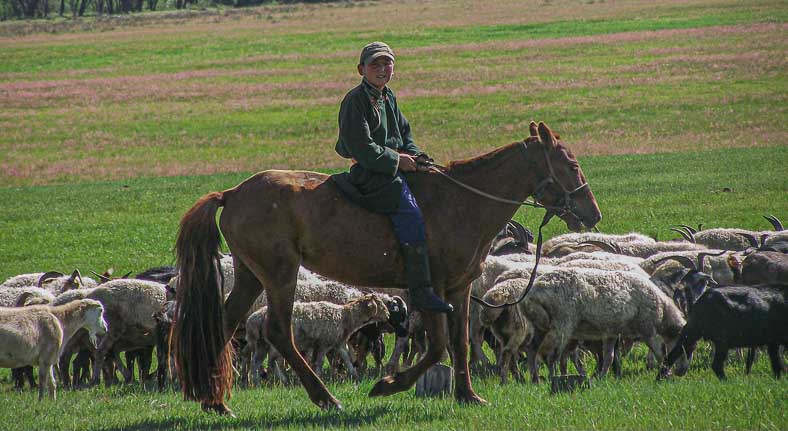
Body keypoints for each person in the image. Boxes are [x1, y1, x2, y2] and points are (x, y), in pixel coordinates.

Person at [332, 42, 453, 314]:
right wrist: (398, 160)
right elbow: (362, 148)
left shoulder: (388, 96)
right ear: (361, 69)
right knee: (410, 212)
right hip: (370, 174)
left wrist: (418, 156)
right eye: (375, 64)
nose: (382, 69)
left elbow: (404, 136)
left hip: (392, 167)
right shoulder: (355, 101)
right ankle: (420, 290)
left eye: (387, 64)